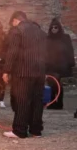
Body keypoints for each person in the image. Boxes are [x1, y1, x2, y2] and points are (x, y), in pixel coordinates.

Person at [3, 11, 47, 139]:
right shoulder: (41, 32)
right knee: (37, 101)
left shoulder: (17, 31)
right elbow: (47, 53)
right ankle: (36, 130)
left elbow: (12, 51)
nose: (13, 25)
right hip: (39, 72)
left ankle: (20, 131)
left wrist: (7, 70)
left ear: (16, 20)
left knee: (22, 100)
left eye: (13, 23)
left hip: (23, 72)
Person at [44, 18, 75, 110]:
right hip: (50, 65)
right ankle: (53, 101)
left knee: (58, 85)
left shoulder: (65, 38)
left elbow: (70, 50)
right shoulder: (47, 39)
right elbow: (44, 51)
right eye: (52, 27)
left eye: (56, 27)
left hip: (61, 65)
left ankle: (59, 103)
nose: (54, 29)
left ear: (59, 28)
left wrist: (71, 63)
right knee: (51, 84)